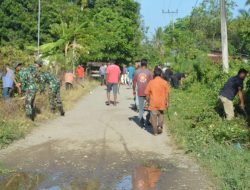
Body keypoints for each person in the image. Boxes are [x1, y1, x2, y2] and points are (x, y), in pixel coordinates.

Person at [145, 68, 170, 135]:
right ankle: (159, 126)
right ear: (161, 74)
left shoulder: (151, 82)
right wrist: (167, 102)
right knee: (161, 115)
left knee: (153, 118)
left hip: (153, 103)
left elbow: (147, 93)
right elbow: (167, 93)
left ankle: (155, 132)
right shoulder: (165, 82)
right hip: (162, 102)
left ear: (154, 74)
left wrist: (147, 101)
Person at [133, 59, 153, 126]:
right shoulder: (149, 72)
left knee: (141, 108)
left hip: (140, 92)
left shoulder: (136, 72)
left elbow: (134, 83)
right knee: (150, 107)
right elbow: (151, 83)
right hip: (148, 93)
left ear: (141, 64)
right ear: (146, 64)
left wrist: (133, 91)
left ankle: (141, 121)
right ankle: (147, 119)